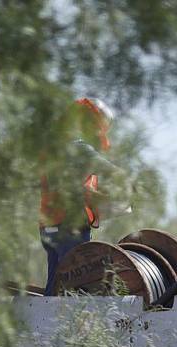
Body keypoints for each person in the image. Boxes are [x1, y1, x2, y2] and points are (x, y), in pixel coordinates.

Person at [39, 97, 132, 294]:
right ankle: (64, 324)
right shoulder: (79, 149)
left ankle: (41, 322)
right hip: (70, 228)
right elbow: (113, 173)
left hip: (49, 226)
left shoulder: (55, 147)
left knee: (56, 284)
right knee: (77, 285)